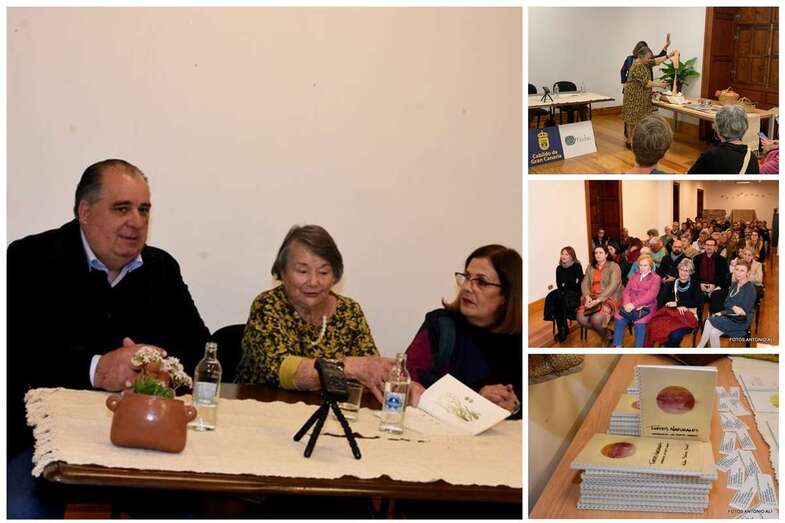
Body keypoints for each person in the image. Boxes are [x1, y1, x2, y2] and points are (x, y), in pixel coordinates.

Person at [7, 159, 210, 517]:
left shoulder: (162, 268)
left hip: (144, 437)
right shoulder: (30, 258)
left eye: (144, 209)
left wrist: (158, 371)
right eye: (122, 208)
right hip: (43, 437)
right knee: (20, 511)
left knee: (192, 513)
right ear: (85, 212)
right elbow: (17, 353)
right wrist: (97, 369)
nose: (137, 221)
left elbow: (198, 350)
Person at [236, 225, 393, 402]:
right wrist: (348, 367)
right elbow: (282, 370)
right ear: (282, 272)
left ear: (335, 276)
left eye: (323, 272)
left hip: (332, 411)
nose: (313, 281)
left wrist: (398, 384)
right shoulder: (267, 305)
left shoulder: (349, 311)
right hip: (265, 407)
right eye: (302, 271)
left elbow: (370, 372)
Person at [405, 245, 522, 416]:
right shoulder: (441, 325)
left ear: (506, 295)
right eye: (467, 277)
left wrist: (513, 406)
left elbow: (531, 402)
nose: (467, 287)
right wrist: (474, 399)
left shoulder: (522, 340)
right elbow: (406, 381)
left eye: (481, 282)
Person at [696, 261, 757, 348]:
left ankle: (700, 347)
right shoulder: (734, 285)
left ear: (748, 273)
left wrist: (724, 312)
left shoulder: (750, 289)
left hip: (740, 321)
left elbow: (742, 312)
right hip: (729, 316)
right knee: (713, 333)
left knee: (709, 320)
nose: (738, 272)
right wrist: (729, 309)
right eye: (737, 269)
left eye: (742, 270)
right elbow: (726, 303)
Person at [644, 258, 702, 347]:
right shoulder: (671, 284)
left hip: (689, 317)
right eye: (681, 270)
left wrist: (678, 304)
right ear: (678, 270)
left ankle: (668, 350)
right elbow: (663, 300)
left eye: (686, 270)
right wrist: (676, 306)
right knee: (654, 325)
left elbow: (697, 302)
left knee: (675, 335)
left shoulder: (695, 284)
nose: (683, 273)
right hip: (673, 314)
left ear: (690, 272)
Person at [688, 105, 760, 174]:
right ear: (745, 127)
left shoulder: (711, 155)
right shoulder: (752, 157)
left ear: (718, 129)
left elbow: (690, 177)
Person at [622, 46, 669, 149]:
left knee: (640, 119)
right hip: (633, 97)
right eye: (648, 57)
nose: (649, 59)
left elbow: (656, 61)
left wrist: (669, 56)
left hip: (642, 97)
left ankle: (637, 140)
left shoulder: (645, 63)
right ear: (641, 57)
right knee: (632, 121)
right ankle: (630, 141)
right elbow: (646, 83)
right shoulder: (637, 66)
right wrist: (660, 84)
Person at [576, 245, 622, 346]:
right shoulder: (590, 266)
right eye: (596, 253)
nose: (598, 255)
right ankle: (607, 335)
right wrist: (587, 296)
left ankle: (605, 337)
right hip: (592, 296)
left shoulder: (614, 266)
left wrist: (598, 300)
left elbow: (613, 285)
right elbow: (584, 283)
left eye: (601, 252)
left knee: (596, 319)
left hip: (609, 297)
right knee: (581, 318)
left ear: (606, 254)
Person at [612, 254, 661, 347]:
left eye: (645, 265)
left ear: (650, 266)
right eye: (640, 265)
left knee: (639, 324)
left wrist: (634, 304)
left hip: (646, 307)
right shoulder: (634, 275)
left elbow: (651, 295)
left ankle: (639, 349)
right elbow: (626, 291)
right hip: (630, 305)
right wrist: (627, 303)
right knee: (619, 318)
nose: (642, 268)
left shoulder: (656, 278)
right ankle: (618, 345)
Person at [543, 247, 584, 342]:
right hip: (563, 293)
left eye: (566, 254)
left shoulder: (577, 266)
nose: (563, 256)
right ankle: (563, 329)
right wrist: (570, 282)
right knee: (554, 297)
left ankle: (563, 329)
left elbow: (578, 285)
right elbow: (559, 284)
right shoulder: (559, 268)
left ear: (571, 256)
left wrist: (567, 283)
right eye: (562, 254)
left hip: (575, 295)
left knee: (558, 300)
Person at [694, 237, 731, 314]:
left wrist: (715, 285)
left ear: (715, 247)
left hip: (716, 286)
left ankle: (713, 318)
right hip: (700, 285)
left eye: (711, 245)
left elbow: (724, 276)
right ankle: (699, 318)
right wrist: (699, 284)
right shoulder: (697, 258)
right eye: (707, 245)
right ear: (704, 246)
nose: (709, 247)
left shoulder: (722, 260)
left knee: (716, 298)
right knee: (696, 296)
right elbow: (694, 274)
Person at [656, 239, 686, 307]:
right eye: (675, 247)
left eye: (679, 247)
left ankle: (659, 307)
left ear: (682, 248)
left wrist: (674, 279)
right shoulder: (665, 258)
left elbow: (687, 275)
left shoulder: (686, 259)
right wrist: (662, 278)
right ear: (672, 247)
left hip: (679, 282)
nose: (677, 249)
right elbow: (660, 271)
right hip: (663, 281)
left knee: (668, 285)